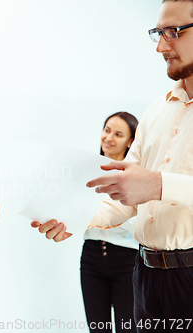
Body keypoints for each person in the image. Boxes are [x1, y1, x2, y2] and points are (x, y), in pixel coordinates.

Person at [32, 0, 193, 330]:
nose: (162, 46)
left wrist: (159, 185)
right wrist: (74, 217)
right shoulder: (156, 112)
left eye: (174, 32)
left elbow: (149, 185)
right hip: (146, 275)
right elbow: (123, 194)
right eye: (158, 33)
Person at [81, 112, 138, 333]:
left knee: (128, 328)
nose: (109, 137)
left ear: (131, 141)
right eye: (107, 130)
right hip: (91, 257)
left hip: (126, 259)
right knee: (97, 329)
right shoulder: (85, 171)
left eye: (118, 134)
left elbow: (133, 219)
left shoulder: (135, 175)